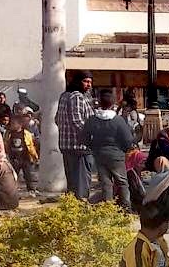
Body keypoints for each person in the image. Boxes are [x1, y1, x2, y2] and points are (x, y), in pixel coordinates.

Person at [83, 88, 135, 210]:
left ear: (100, 102)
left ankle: (108, 209)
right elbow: (128, 140)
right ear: (112, 103)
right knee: (122, 182)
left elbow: (83, 138)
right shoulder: (118, 120)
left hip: (99, 155)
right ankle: (126, 208)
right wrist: (123, 149)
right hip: (116, 155)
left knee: (106, 183)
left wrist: (94, 147)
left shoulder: (93, 120)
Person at [56, 71, 96, 199]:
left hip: (67, 146)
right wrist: (91, 137)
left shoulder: (64, 96)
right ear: (78, 82)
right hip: (80, 148)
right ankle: (81, 211)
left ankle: (73, 211)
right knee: (81, 185)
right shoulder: (77, 97)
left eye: (90, 82)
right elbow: (77, 121)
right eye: (86, 81)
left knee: (72, 184)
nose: (89, 85)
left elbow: (57, 119)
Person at [4, 108, 39, 195]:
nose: (11, 125)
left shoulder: (26, 133)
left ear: (20, 124)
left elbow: (30, 146)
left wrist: (34, 156)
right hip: (14, 159)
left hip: (25, 158)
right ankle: (12, 189)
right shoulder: (9, 134)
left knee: (28, 175)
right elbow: (6, 144)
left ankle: (31, 189)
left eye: (13, 124)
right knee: (13, 175)